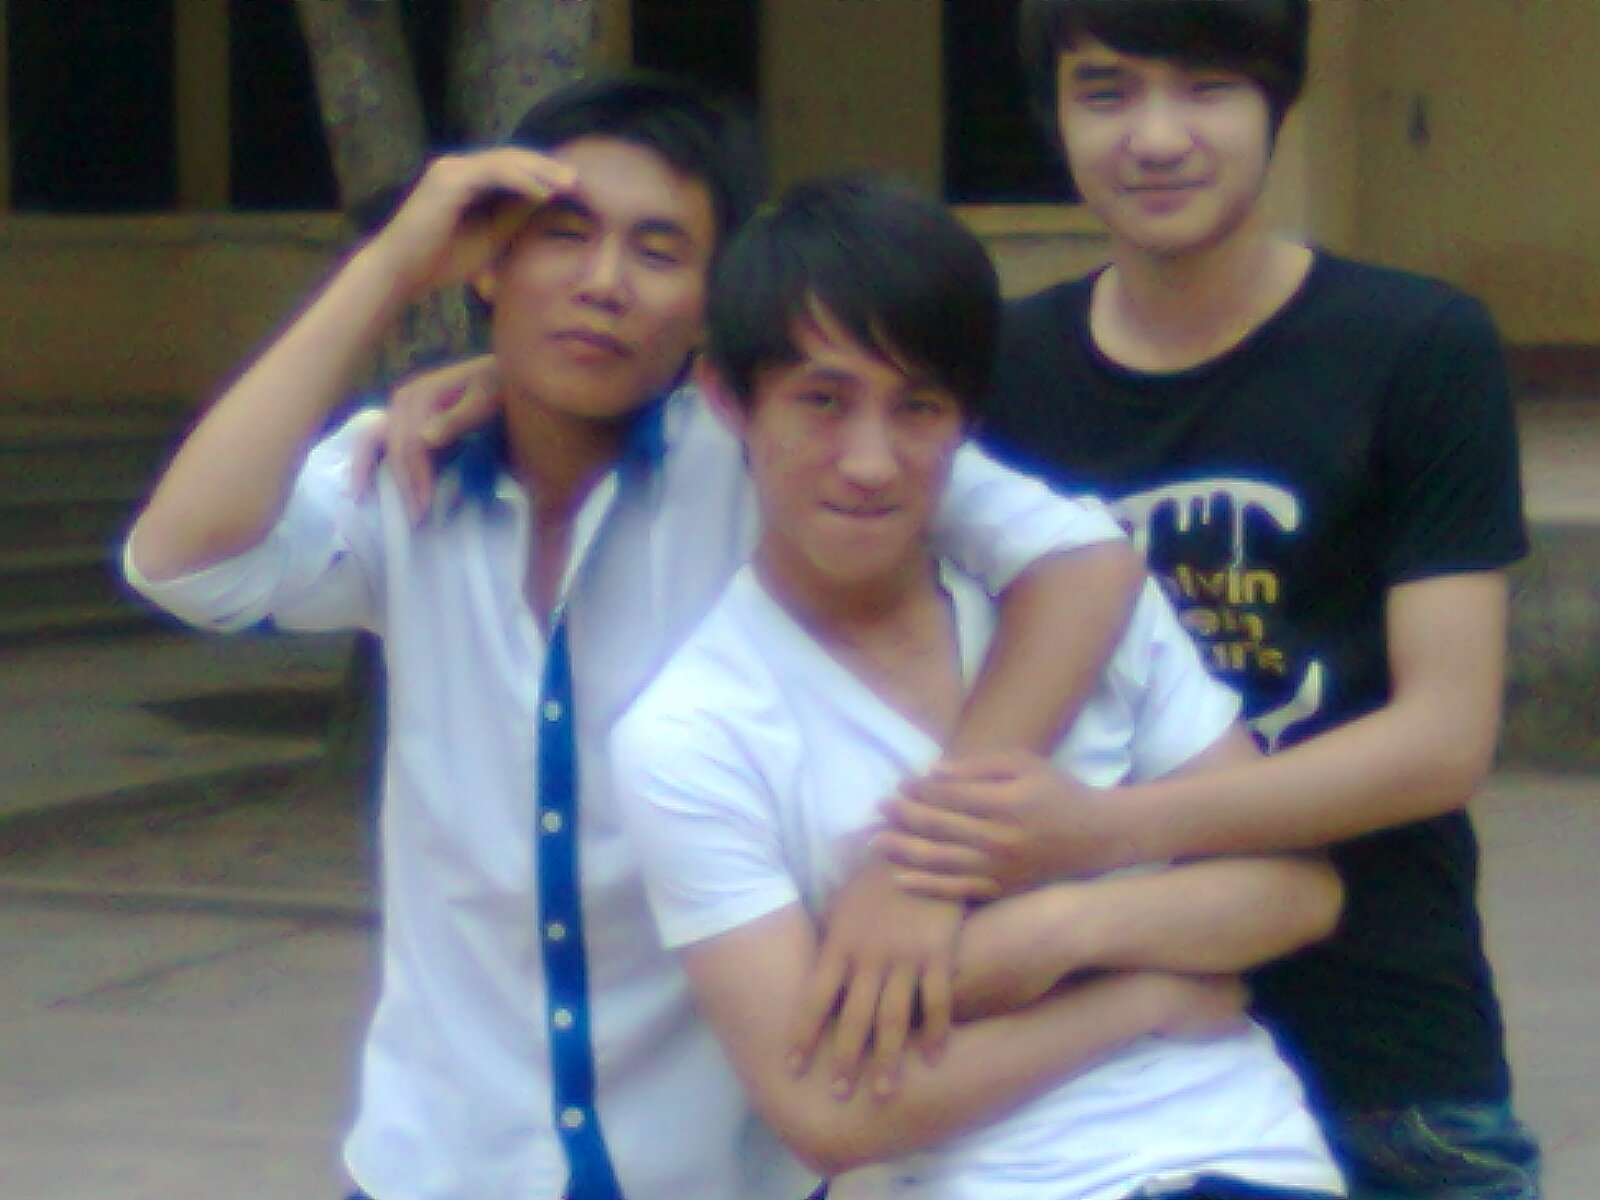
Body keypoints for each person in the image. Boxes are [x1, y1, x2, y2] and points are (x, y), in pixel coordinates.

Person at [121, 72, 1151, 1200]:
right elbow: (183, 560)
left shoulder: (776, 457)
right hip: (438, 1165)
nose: (604, 284)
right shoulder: (407, 477)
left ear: (712, 304)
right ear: (489, 264)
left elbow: (1080, 561)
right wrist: (389, 268)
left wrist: (931, 854)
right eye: (563, 237)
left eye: (659, 251)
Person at [869, 4, 1543, 1198]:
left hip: (1388, 1065)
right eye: (1106, 92)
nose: (1156, 137)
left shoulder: (1415, 347)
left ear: (1277, 100)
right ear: (1054, 117)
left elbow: (1442, 740)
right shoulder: (997, 378)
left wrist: (1101, 832)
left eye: (1206, 87)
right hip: (1114, 1087)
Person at [611, 172, 1348, 1200]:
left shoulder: (1088, 615)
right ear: (728, 400)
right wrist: (1136, 1000)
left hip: (1247, 1154)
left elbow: (1295, 893)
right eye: (822, 401)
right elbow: (823, 1114)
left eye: (917, 408)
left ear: (965, 420)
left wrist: (1046, 932)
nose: (871, 462)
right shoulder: (694, 731)